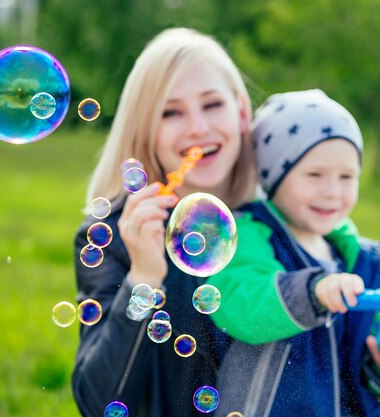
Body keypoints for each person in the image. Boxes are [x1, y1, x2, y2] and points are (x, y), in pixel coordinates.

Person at [208, 89, 380, 417]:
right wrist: (313, 292)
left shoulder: (346, 255)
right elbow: (244, 306)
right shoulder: (250, 234)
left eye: (347, 177)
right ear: (273, 176)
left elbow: (345, 369)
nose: (332, 191)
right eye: (314, 175)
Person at [71, 27, 256, 417]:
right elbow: (97, 400)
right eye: (171, 112)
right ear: (145, 131)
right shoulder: (114, 238)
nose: (197, 128)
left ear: (241, 111)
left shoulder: (274, 220)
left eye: (211, 104)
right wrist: (143, 279)